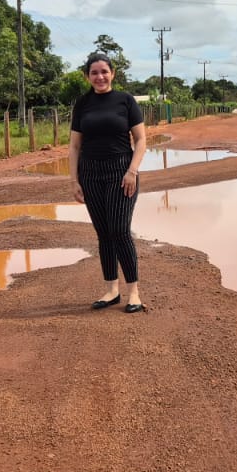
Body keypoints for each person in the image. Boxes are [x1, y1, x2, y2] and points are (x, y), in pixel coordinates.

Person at [69, 53, 148, 313]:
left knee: (119, 231)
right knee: (103, 233)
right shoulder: (82, 104)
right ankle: (112, 289)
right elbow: (74, 145)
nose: (100, 76)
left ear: (113, 73)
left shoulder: (125, 101)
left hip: (121, 173)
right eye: (94, 72)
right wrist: (74, 180)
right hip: (90, 174)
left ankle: (133, 292)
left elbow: (141, 140)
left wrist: (132, 171)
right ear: (87, 76)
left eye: (104, 71)